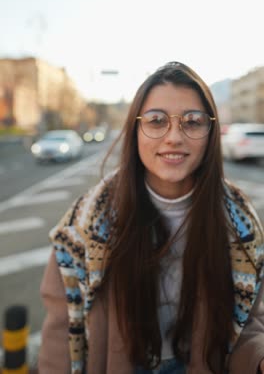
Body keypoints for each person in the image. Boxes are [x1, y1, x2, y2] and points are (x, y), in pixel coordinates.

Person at [38, 61, 264, 374]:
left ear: (211, 132)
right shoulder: (82, 226)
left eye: (193, 122)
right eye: (157, 121)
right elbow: (61, 332)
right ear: (134, 129)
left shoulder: (240, 223)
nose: (174, 137)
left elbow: (249, 321)